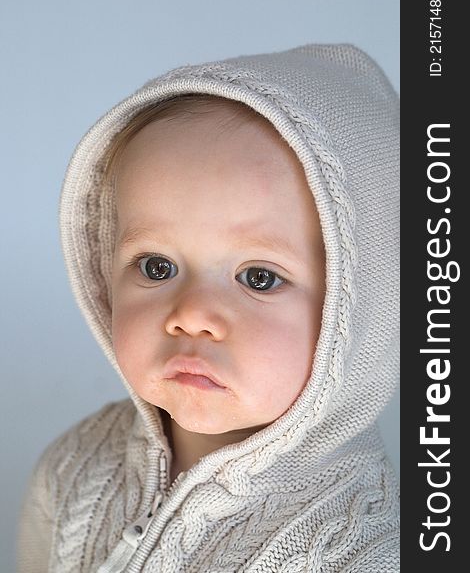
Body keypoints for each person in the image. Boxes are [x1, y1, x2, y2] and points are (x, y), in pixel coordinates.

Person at [17, 43, 400, 572]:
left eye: (258, 278)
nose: (191, 314)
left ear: (360, 314)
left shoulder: (365, 554)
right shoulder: (71, 469)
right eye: (156, 266)